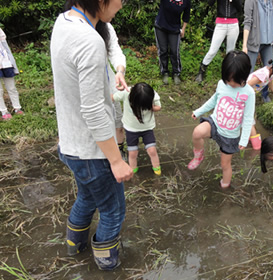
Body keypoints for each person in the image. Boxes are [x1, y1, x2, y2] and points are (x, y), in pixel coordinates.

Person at [51, 0, 132, 270]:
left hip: (71, 144)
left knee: (86, 197)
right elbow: (94, 111)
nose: (122, 4)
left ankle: (75, 247)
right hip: (92, 150)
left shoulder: (65, 22)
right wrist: (116, 160)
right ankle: (107, 265)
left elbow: (112, 48)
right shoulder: (88, 40)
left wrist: (117, 71)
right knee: (113, 210)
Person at [188, 51, 255, 189]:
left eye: (234, 81)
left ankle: (225, 185)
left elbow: (248, 118)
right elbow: (213, 100)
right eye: (227, 80)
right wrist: (199, 111)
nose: (230, 83)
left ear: (244, 76)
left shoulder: (249, 93)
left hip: (230, 136)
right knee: (197, 132)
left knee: (225, 164)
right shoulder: (221, 84)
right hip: (215, 123)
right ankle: (198, 156)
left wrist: (244, 139)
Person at [112, 82, 162, 175]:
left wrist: (151, 107)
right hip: (131, 129)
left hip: (147, 128)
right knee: (132, 153)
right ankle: (133, 169)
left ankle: (157, 167)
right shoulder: (126, 93)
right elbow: (113, 97)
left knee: (152, 150)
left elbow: (158, 107)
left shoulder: (152, 95)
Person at [242, 0, 273, 102]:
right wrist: (244, 45)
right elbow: (247, 22)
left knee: (269, 71)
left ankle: (265, 95)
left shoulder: (271, 1)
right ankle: (244, 97)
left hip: (268, 42)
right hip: (254, 42)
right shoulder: (250, 1)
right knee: (249, 71)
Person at [195, 0, 242, 84]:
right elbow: (210, 3)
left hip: (233, 24)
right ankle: (201, 72)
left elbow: (240, 8)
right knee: (212, 50)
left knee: (230, 52)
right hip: (221, 24)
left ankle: (228, 75)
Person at [155, 0, 191, 85]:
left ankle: (176, 73)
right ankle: (165, 72)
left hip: (175, 28)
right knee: (163, 50)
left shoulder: (186, 1)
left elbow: (186, 15)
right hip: (161, 26)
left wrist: (183, 29)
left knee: (174, 51)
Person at [107, 23, 129, 160]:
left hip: (109, 83)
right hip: (86, 86)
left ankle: (120, 150)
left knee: (117, 121)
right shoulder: (71, 26)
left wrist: (120, 71)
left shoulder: (106, 26)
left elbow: (114, 50)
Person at [0, 27, 23, 120]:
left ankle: (17, 108)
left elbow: (6, 48)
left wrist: (13, 64)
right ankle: (4, 111)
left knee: (12, 87)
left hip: (6, 64)